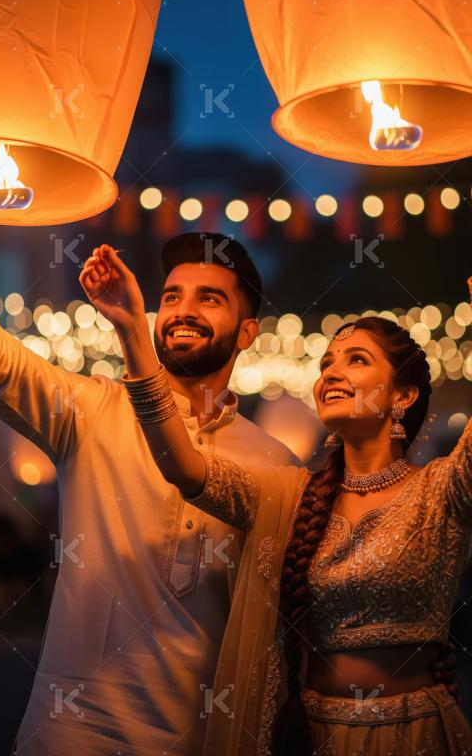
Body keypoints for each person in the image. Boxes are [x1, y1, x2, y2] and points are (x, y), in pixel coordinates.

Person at [83, 244, 472, 756]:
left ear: (403, 396)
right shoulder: (290, 494)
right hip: (313, 736)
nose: (331, 373)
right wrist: (133, 330)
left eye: (356, 361)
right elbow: (181, 465)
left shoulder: (444, 489)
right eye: (327, 363)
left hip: (414, 733)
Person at [0, 232, 299, 756]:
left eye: (210, 297)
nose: (184, 310)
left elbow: (288, 619)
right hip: (69, 734)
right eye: (173, 296)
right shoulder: (91, 411)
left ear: (248, 332)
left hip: (197, 738)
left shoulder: (275, 463)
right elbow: (2, 363)